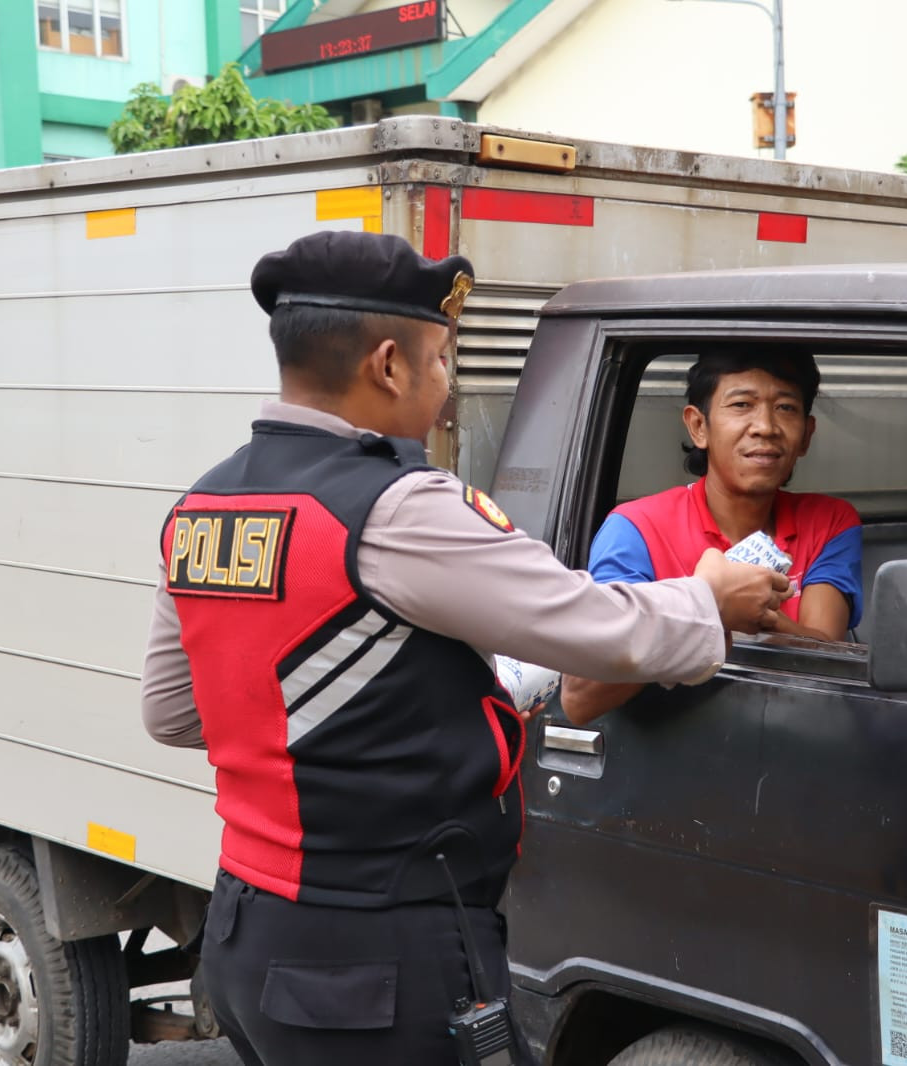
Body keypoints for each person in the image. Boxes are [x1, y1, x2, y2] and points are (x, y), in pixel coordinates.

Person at [138, 231, 789, 1066]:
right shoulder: (397, 506)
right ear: (388, 364)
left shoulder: (207, 504)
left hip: (247, 932)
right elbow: (594, 623)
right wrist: (709, 599)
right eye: (443, 361)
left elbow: (175, 710)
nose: (447, 392)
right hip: (379, 951)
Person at [560, 348, 862, 724]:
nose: (765, 426)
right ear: (698, 427)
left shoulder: (830, 521)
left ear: (806, 435)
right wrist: (709, 607)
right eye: (741, 405)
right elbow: (581, 695)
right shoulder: (636, 528)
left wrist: (751, 617)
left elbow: (826, 658)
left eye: (785, 408)